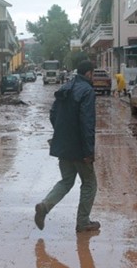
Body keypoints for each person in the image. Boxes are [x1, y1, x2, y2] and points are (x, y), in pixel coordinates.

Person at [34, 60, 99, 233]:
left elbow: (53, 114)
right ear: (88, 74)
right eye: (93, 73)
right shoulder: (87, 91)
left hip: (63, 146)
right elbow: (87, 124)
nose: (93, 77)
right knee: (90, 183)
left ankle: (45, 206)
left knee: (66, 180)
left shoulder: (66, 88)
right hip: (79, 148)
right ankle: (83, 222)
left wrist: (61, 135)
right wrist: (89, 152)